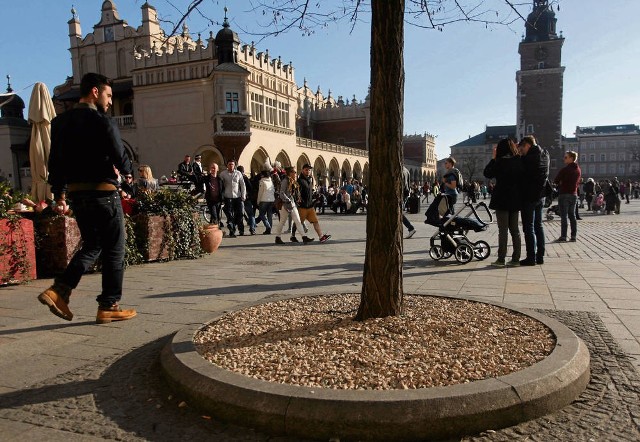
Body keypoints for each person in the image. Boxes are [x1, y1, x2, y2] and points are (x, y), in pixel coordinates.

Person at [39, 72, 136, 324]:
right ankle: (109, 305)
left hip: (76, 194)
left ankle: (60, 290)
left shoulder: (60, 123)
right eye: (108, 95)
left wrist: (59, 193)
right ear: (95, 91)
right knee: (115, 248)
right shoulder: (102, 120)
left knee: (93, 245)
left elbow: (55, 162)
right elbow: (119, 154)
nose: (109, 101)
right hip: (103, 192)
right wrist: (127, 170)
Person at [483, 138, 523, 267]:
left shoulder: (499, 162)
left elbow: (487, 173)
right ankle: (516, 258)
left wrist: (494, 158)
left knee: (503, 230)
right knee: (515, 230)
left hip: (501, 198)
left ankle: (501, 259)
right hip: (515, 198)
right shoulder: (518, 160)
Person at [519, 135, 549, 265]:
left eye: (522, 148)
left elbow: (520, 170)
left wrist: (517, 155)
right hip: (541, 195)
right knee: (538, 226)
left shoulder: (528, 158)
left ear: (527, 145)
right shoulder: (545, 154)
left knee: (528, 228)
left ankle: (531, 257)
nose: (521, 151)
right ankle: (540, 256)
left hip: (529, 196)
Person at [274, 166, 313, 244]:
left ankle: (304, 237)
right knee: (282, 221)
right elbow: (282, 193)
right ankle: (277, 237)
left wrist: (296, 199)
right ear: (290, 173)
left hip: (292, 204)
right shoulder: (285, 181)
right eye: (294, 172)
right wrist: (287, 200)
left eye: (295, 172)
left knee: (298, 221)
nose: (295, 173)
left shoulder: (293, 181)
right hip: (286, 204)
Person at [296, 164, 331, 242]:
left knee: (315, 221)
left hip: (310, 206)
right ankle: (293, 235)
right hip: (303, 206)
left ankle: (321, 237)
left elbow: (309, 192)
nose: (308, 171)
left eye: (309, 170)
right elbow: (297, 193)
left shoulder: (309, 180)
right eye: (306, 170)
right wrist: (299, 202)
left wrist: (314, 198)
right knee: (298, 222)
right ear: (302, 170)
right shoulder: (300, 181)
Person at [553, 151, 581, 241]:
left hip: (564, 194)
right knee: (572, 215)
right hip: (574, 194)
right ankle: (573, 236)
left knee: (564, 216)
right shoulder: (578, 170)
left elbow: (556, 180)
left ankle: (563, 236)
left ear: (571, 158)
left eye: (566, 157)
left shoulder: (565, 170)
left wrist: (561, 182)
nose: (564, 159)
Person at [219, 159, 246, 237]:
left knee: (240, 213)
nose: (231, 166)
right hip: (228, 196)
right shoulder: (223, 174)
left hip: (237, 196)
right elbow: (220, 184)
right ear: (227, 165)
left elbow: (242, 185)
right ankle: (232, 230)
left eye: (232, 164)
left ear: (235, 165)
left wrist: (243, 195)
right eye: (229, 164)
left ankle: (241, 229)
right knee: (230, 215)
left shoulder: (238, 173)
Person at [236, 165, 256, 235]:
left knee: (240, 214)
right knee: (251, 214)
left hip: (238, 198)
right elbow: (250, 187)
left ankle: (241, 230)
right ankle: (252, 229)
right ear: (243, 171)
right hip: (247, 198)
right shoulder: (245, 178)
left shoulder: (236, 177)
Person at [257, 169, 275, 234]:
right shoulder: (271, 181)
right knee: (269, 215)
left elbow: (260, 192)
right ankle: (269, 229)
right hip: (271, 200)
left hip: (264, 200)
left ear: (262, 175)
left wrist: (258, 201)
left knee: (262, 214)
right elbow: (273, 190)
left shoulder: (262, 182)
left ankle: (268, 226)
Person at [402, 166, 416, 238]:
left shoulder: (400, 170)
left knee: (398, 213)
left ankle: (411, 228)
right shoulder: (406, 170)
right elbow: (408, 182)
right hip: (406, 193)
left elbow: (403, 184)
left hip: (402, 194)